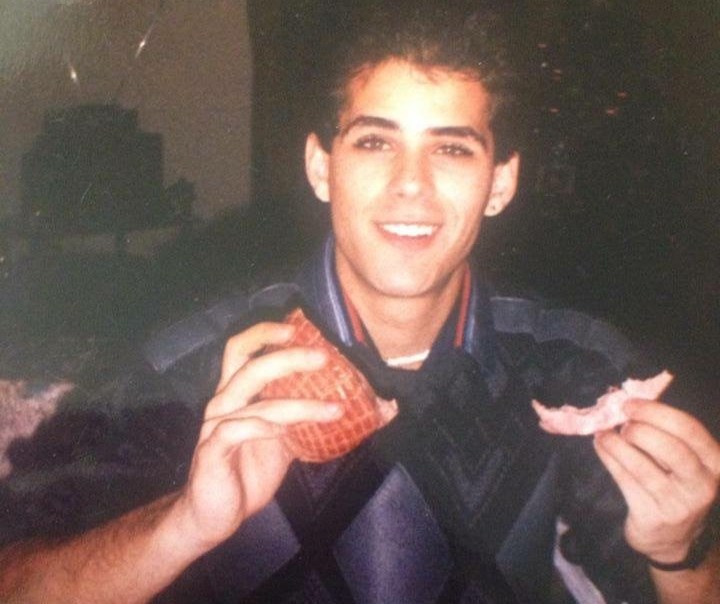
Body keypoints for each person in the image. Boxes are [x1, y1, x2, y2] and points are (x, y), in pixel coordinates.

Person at [0, 5, 718, 603]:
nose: (411, 184)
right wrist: (184, 522)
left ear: (500, 184)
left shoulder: (576, 364)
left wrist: (679, 554)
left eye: (452, 150)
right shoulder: (195, 362)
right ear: (322, 168)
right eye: (375, 142)